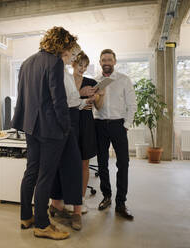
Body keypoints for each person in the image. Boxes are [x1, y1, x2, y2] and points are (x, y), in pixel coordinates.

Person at [11, 26, 78, 240]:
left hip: (31, 126)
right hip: (50, 129)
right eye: (68, 46)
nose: (68, 51)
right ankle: (41, 224)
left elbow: (22, 96)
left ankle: (26, 217)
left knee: (31, 171)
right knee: (45, 176)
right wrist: (66, 126)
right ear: (62, 44)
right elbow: (59, 99)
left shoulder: (27, 62)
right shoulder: (55, 62)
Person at [49, 45, 90, 231]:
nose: (73, 58)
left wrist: (83, 102)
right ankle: (57, 205)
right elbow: (59, 101)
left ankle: (76, 212)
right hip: (62, 120)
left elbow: (71, 101)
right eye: (73, 54)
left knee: (73, 165)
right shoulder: (57, 71)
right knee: (60, 165)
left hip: (71, 118)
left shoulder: (65, 72)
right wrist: (80, 100)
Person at [94, 49, 136, 220]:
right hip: (100, 125)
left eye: (109, 59)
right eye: (104, 59)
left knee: (123, 163)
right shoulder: (95, 81)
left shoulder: (124, 80)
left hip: (118, 125)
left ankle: (121, 202)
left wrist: (125, 125)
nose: (107, 62)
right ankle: (107, 197)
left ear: (115, 61)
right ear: (100, 62)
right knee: (102, 163)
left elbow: (132, 105)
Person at [74, 52, 105, 213]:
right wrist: (82, 98)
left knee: (84, 162)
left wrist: (98, 97)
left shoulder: (91, 82)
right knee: (69, 163)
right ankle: (66, 197)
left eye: (86, 66)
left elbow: (98, 106)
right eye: (80, 65)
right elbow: (63, 103)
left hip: (86, 124)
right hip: (70, 124)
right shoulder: (66, 81)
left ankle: (81, 198)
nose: (83, 69)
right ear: (73, 63)